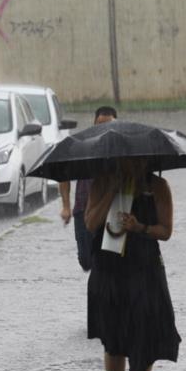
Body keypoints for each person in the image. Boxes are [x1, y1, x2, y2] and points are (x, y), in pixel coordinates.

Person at [84, 157, 181, 371]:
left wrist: (139, 227)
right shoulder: (102, 182)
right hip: (110, 272)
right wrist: (112, 192)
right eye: (125, 161)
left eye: (135, 161)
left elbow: (166, 231)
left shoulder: (158, 187)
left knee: (144, 338)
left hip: (145, 270)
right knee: (114, 343)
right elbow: (90, 223)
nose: (130, 166)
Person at [60, 106, 117, 271]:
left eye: (109, 124)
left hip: (112, 210)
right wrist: (66, 206)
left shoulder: (120, 148)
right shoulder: (81, 146)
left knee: (107, 260)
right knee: (86, 260)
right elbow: (64, 175)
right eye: (100, 124)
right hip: (83, 211)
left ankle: (105, 288)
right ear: (94, 124)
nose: (104, 129)